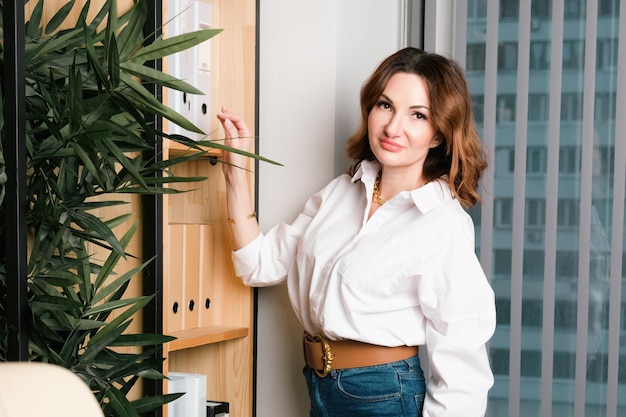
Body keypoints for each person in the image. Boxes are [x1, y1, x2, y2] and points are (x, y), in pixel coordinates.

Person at [216, 47, 496, 417]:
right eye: (385, 105)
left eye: (417, 115)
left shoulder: (442, 222)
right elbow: (261, 266)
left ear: (438, 135)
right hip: (320, 385)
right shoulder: (340, 192)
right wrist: (236, 172)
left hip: (383, 393)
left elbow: (463, 362)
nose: (393, 127)